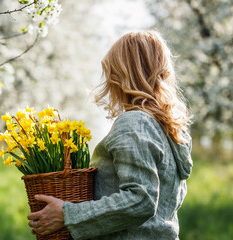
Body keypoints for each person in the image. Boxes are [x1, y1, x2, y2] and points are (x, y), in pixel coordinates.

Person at [27, 30, 193, 240]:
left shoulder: (135, 122)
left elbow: (141, 200)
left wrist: (68, 214)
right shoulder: (169, 130)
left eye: (111, 72)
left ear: (122, 75)